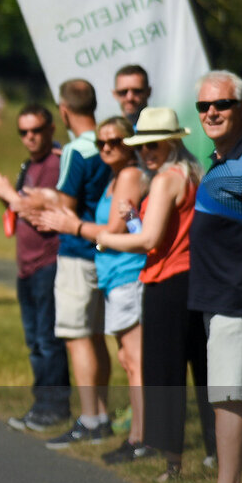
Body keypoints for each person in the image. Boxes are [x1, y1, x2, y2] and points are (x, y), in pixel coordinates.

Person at [95, 107, 216, 482]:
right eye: (142, 145)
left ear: (171, 142)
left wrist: (103, 237)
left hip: (167, 283)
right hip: (194, 279)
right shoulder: (192, 173)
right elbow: (162, 234)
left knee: (165, 374)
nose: (146, 152)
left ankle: (172, 463)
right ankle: (219, 451)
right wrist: (133, 218)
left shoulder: (165, 180)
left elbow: (148, 241)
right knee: (206, 372)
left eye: (154, 144)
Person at [168, 70, 242, 483]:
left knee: (227, 395)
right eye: (204, 107)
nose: (211, 113)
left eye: (221, 105)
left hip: (238, 298)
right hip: (219, 296)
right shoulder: (223, 159)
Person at [37, 116, 150, 461]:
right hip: (114, 275)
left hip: (128, 273)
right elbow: (119, 226)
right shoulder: (116, 177)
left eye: (115, 142)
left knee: (135, 362)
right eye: (101, 143)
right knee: (128, 359)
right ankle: (138, 436)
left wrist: (73, 225)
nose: (106, 148)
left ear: (129, 143)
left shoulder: (130, 174)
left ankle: (141, 438)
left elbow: (115, 229)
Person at [24, 80, 113, 448]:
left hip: (77, 251)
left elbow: (66, 207)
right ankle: (102, 413)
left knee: (78, 338)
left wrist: (42, 200)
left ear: (63, 110)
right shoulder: (112, 143)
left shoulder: (77, 150)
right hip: (104, 248)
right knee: (96, 337)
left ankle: (91, 418)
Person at [0, 103, 70, 432]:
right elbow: (19, 209)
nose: (30, 137)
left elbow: (38, 211)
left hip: (48, 261)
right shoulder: (29, 165)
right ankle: (41, 403)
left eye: (36, 130)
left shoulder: (56, 165)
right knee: (34, 340)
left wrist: (7, 193)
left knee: (47, 339)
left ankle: (54, 406)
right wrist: (2, 191)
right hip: (25, 265)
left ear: (51, 129)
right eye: (23, 132)